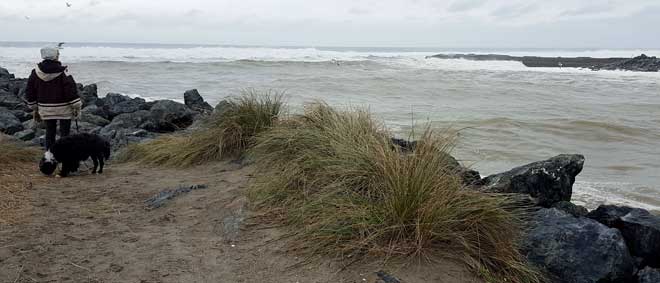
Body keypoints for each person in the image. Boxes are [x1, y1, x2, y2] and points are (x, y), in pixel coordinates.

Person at [26, 46, 81, 150]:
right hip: (64, 109)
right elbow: (70, 90)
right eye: (58, 54)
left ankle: (49, 158)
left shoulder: (35, 72)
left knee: (50, 132)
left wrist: (33, 107)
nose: (59, 56)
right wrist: (76, 105)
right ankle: (65, 159)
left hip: (45, 109)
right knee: (65, 135)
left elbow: (30, 90)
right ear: (55, 56)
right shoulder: (63, 71)